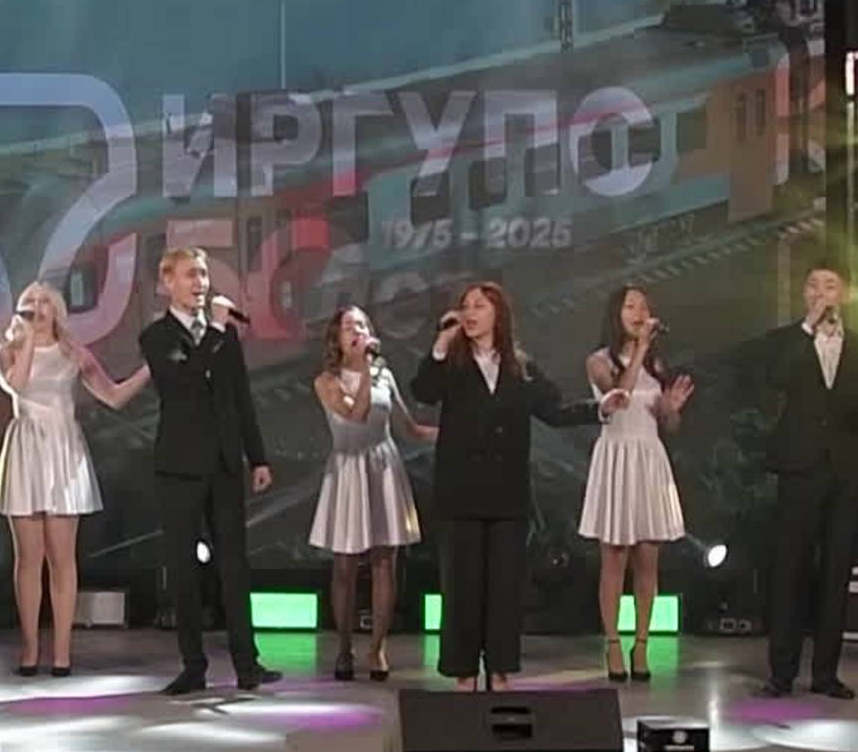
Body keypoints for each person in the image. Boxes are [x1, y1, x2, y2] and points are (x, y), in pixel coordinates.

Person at [408, 282, 609, 690]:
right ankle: (463, 670)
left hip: (507, 493)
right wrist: (441, 345)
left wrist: (600, 409)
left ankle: (500, 668)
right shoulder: (451, 365)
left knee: (504, 586)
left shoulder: (521, 367)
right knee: (461, 586)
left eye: (479, 306)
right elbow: (422, 392)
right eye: (465, 306)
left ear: (498, 314)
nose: (470, 313)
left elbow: (554, 410)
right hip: (461, 492)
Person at [753, 264, 858, 700]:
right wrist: (807, 328)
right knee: (790, 568)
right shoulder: (787, 340)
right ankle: (781, 673)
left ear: (845, 295)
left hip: (845, 470)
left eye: (830, 286)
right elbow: (777, 378)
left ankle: (826, 673)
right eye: (814, 285)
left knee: (836, 569)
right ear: (805, 294)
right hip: (800, 467)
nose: (821, 293)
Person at [135, 248, 279, 696]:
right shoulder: (156, 337)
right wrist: (215, 330)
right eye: (190, 275)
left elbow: (240, 397)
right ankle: (193, 666)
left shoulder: (224, 334)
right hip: (179, 467)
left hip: (224, 464)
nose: (200, 283)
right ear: (168, 283)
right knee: (183, 567)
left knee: (234, 565)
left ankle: (247, 663)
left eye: (203, 274)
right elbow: (184, 383)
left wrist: (257, 456)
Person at [0, 282, 129, 677]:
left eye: (44, 302)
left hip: (63, 450)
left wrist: (150, 370)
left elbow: (113, 396)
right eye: (29, 302)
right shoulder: (7, 351)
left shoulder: (73, 352)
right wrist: (27, 339)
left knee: (62, 559)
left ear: (57, 310)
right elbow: (17, 384)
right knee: (28, 559)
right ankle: (30, 650)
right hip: (27, 448)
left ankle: (63, 653)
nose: (37, 307)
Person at [309, 305, 435, 680]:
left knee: (385, 561)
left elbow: (409, 428)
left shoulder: (385, 376)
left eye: (363, 325)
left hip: (382, 467)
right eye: (350, 326)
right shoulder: (326, 381)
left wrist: (457, 432)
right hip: (348, 469)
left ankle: (378, 648)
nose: (358, 332)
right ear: (337, 338)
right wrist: (365, 370)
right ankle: (344, 648)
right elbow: (356, 414)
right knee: (345, 565)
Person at [579, 285, 696, 681]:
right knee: (614, 558)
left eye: (644, 307)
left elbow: (668, 425)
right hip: (617, 457)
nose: (639, 313)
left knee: (648, 560)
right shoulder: (598, 361)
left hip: (649, 459)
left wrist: (670, 409)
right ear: (616, 314)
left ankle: (642, 644)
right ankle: (613, 643)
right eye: (631, 306)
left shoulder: (656, 365)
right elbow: (620, 397)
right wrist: (641, 348)